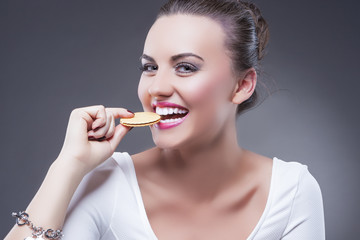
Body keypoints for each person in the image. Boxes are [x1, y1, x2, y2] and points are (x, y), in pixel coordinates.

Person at [5, 0, 325, 239]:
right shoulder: (108, 182)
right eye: (149, 67)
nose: (156, 88)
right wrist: (68, 165)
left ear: (242, 85)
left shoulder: (292, 191)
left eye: (185, 67)